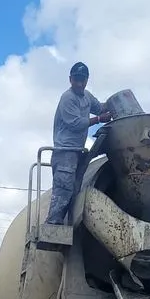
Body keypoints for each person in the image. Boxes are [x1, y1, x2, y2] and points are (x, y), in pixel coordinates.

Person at [46, 61, 111, 225]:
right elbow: (74, 123)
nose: (80, 83)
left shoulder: (87, 96)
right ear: (70, 79)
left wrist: (114, 104)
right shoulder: (67, 98)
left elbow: (100, 108)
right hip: (64, 152)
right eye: (77, 80)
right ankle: (54, 223)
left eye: (83, 80)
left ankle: (69, 223)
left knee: (75, 190)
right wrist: (98, 120)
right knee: (64, 188)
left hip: (77, 152)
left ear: (87, 80)